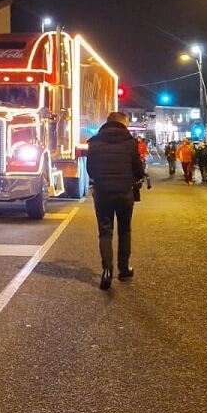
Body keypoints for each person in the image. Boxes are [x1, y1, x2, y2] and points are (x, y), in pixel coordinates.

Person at [86, 111, 145, 290]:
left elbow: (90, 169)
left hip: (102, 192)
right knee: (124, 230)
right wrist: (133, 179)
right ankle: (123, 268)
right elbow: (138, 169)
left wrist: (101, 180)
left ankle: (107, 270)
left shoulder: (94, 142)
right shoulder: (130, 143)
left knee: (105, 231)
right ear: (123, 123)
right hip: (124, 192)